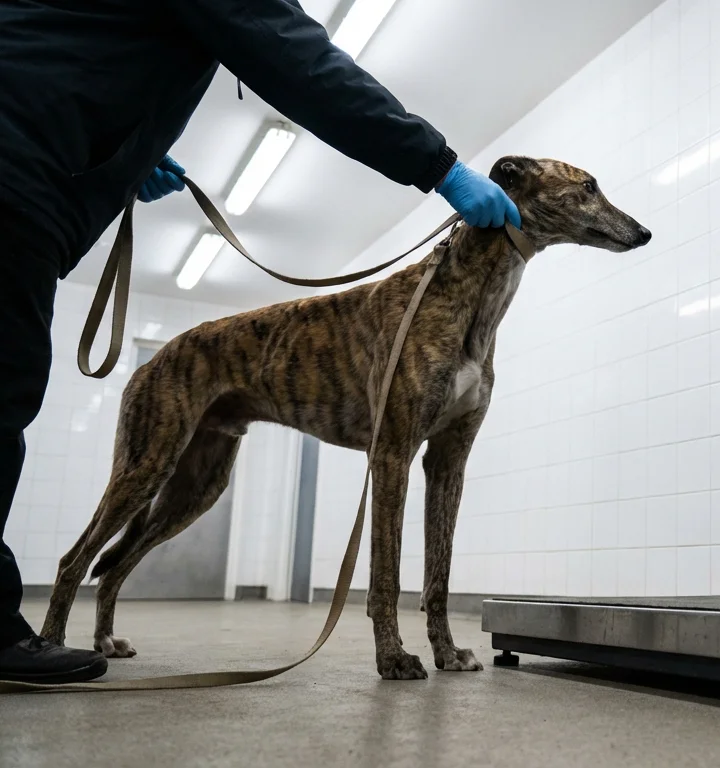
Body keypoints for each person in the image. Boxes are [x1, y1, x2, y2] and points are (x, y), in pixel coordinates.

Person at [0, 0, 520, 684]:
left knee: (168, 478)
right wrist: (441, 167)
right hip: (19, 166)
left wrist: (131, 150)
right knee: (26, 409)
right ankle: (42, 620)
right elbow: (295, 57)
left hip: (34, 154)